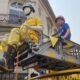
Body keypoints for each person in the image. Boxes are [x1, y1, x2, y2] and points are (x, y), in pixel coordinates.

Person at [1, 1, 43, 71]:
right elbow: (16, 36)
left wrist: (30, 27)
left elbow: (41, 28)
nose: (25, 10)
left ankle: (7, 61)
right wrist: (4, 38)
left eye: (26, 8)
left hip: (31, 39)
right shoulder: (24, 23)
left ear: (31, 9)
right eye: (24, 9)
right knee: (6, 39)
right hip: (22, 41)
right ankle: (8, 62)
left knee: (15, 30)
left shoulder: (36, 19)